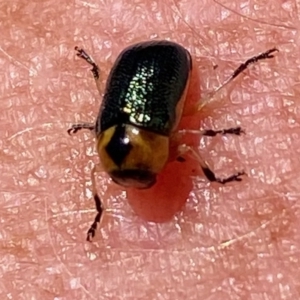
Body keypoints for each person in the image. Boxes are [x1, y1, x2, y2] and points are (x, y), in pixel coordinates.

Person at [2, 1, 295, 299]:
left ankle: (243, 67)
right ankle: (98, 72)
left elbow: (188, 142)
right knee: (198, 114)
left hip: (164, 64)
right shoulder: (114, 135)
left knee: (203, 110)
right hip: (148, 73)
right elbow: (187, 145)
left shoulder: (136, 139)